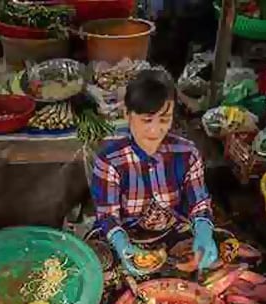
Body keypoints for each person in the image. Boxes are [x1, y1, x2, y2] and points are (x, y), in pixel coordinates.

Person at [90, 69, 218, 276]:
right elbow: (107, 216)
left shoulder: (187, 153)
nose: (155, 130)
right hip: (123, 236)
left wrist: (204, 230)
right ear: (127, 114)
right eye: (146, 120)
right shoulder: (110, 160)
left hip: (171, 234)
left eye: (164, 119)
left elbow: (199, 203)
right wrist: (122, 245)